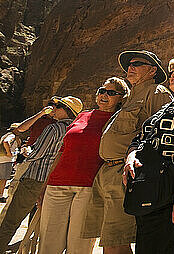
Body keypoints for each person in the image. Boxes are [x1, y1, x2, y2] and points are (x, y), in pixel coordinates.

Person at [83, 50, 173, 254]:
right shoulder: (129, 97)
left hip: (123, 173)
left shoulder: (157, 93)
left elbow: (160, 136)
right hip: (106, 173)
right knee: (108, 240)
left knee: (118, 240)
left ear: (152, 71)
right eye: (129, 64)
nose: (130, 67)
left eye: (137, 64)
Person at [122, 55, 174, 254]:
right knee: (146, 243)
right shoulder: (165, 107)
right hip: (146, 184)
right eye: (171, 72)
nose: (171, 75)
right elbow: (141, 138)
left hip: (170, 185)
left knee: (164, 243)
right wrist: (131, 156)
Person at [38, 78, 128, 254]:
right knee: (48, 244)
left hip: (89, 188)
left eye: (111, 93)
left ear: (121, 99)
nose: (104, 95)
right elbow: (63, 151)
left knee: (79, 246)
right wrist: (45, 185)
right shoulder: (83, 115)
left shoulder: (120, 120)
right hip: (57, 184)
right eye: (102, 90)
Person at [0, 95, 83, 252]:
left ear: (65, 111)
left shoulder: (53, 128)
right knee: (44, 224)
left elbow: (36, 153)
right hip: (54, 182)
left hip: (34, 179)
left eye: (58, 107)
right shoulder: (75, 129)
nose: (54, 109)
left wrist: (22, 153)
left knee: (11, 220)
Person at [0, 124, 22, 202]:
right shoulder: (11, 136)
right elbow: (6, 142)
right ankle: (1, 196)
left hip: (2, 159)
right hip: (6, 160)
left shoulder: (7, 135)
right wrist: (9, 153)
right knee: (3, 178)